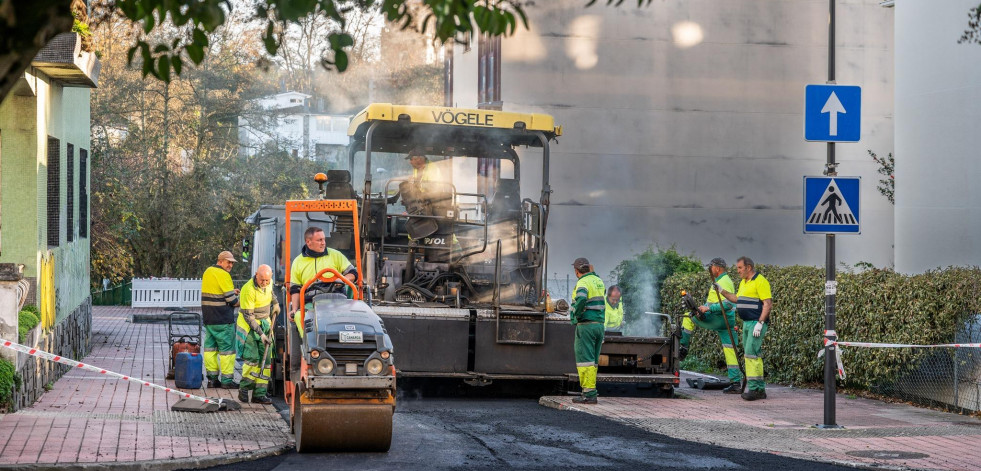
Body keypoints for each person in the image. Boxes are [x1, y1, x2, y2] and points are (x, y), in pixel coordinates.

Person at [715, 256, 772, 401]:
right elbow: (736, 299)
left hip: (755, 323)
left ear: (748, 267)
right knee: (752, 354)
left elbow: (767, 303)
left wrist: (760, 323)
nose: (738, 271)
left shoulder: (761, 281)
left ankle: (754, 389)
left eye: (740, 268)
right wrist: (721, 291)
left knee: (751, 353)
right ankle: (759, 388)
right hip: (747, 323)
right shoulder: (743, 282)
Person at [289, 226, 358, 337]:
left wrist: (342, 279)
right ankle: (310, 348)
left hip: (337, 301)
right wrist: (294, 309)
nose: (323, 243)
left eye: (324, 239)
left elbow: (353, 274)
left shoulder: (335, 255)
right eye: (319, 240)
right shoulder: (298, 262)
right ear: (308, 242)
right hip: (311, 303)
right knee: (298, 316)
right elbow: (295, 289)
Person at [695, 258, 744, 394]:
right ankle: (735, 384)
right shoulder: (721, 281)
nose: (710, 270)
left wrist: (707, 310)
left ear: (717, 268)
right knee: (730, 351)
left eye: (711, 268)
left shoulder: (724, 281)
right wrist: (705, 307)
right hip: (725, 321)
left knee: (689, 316)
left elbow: (729, 304)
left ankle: (683, 347)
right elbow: (713, 302)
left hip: (721, 319)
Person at [236, 264, 280, 404]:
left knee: (266, 359)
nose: (264, 283)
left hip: (265, 323)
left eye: (267, 280)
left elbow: (271, 293)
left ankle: (259, 394)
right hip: (249, 326)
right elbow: (249, 317)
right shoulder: (248, 290)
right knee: (253, 358)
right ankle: (244, 388)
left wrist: (276, 303)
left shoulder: (269, 282)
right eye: (262, 280)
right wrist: (261, 334)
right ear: (256, 275)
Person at [201, 251, 240, 389]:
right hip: (223, 319)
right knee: (227, 351)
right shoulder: (224, 275)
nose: (230, 265)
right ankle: (227, 381)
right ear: (221, 261)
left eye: (232, 263)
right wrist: (243, 301)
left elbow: (216, 291)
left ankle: (212, 380)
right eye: (228, 262)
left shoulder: (208, 271)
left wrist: (231, 291)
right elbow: (232, 301)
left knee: (210, 349)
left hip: (209, 318)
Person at [570, 257, 606, 404]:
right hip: (599, 325)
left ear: (576, 271)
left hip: (586, 326)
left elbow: (582, 298)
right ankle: (590, 392)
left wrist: (575, 315)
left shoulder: (583, 282)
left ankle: (589, 393)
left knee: (585, 361)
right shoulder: (598, 281)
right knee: (593, 362)